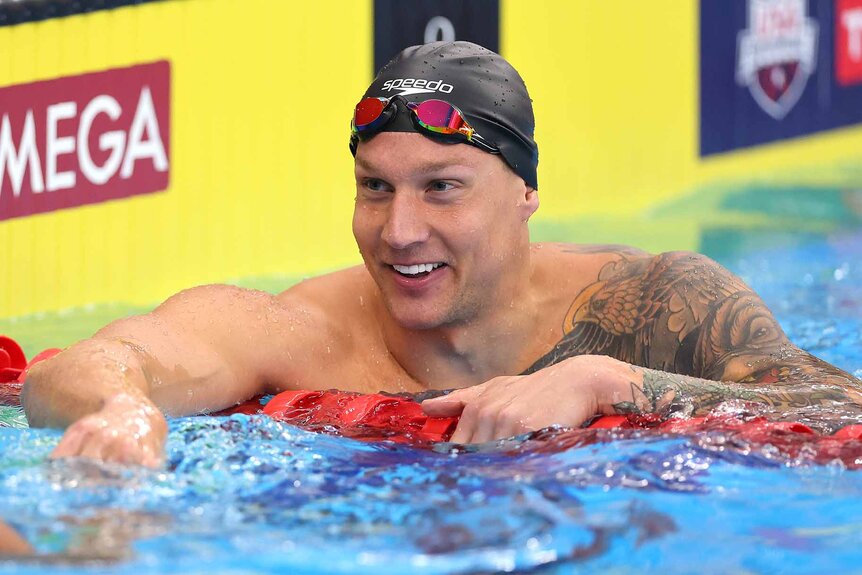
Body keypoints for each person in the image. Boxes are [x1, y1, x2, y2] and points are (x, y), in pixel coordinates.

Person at [21, 41, 862, 467]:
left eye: (443, 188)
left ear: (526, 192)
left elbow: (839, 412)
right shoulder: (301, 332)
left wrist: (607, 384)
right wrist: (123, 410)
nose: (400, 231)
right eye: (375, 187)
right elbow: (86, 365)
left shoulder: (653, 302)